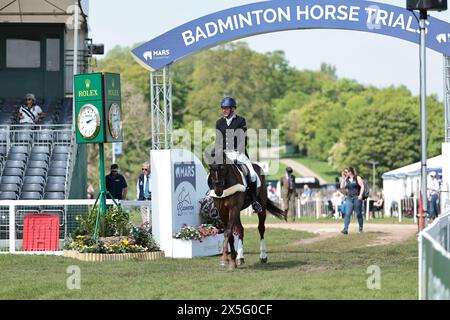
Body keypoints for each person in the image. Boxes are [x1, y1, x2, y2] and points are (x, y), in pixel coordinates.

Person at [213, 97, 262, 213]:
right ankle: (213, 203)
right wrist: (217, 152)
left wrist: (237, 152)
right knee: (212, 174)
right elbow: (218, 140)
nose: (224, 110)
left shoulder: (240, 121)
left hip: (238, 153)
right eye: (223, 108)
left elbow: (243, 138)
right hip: (224, 154)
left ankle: (254, 201)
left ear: (232, 109)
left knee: (253, 174)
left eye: (226, 108)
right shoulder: (219, 122)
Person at [340, 167, 365, 234]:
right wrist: (343, 178)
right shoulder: (346, 179)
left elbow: (362, 186)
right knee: (347, 213)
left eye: (346, 172)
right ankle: (345, 229)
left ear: (350, 172)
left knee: (359, 214)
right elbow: (342, 187)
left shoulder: (357, 178)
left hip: (357, 198)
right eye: (344, 172)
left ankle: (360, 228)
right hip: (349, 198)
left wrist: (360, 195)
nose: (345, 173)